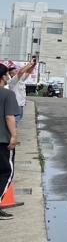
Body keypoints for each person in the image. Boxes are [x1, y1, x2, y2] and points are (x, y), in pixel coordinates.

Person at [0, 64, 19, 220]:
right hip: (2, 140)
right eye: (7, 74)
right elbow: (9, 117)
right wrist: (14, 136)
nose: (8, 77)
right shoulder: (7, 95)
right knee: (7, 172)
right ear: (3, 77)